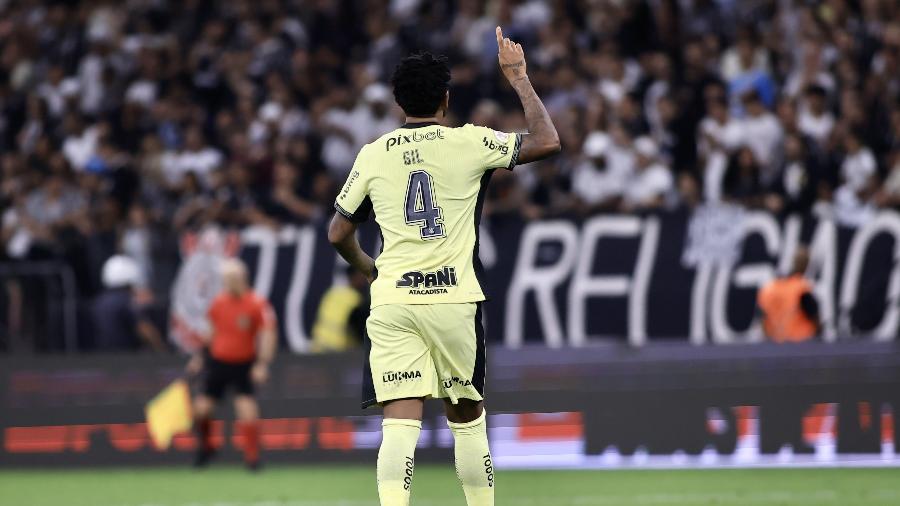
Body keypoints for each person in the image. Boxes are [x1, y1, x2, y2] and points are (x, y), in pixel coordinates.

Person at [327, 28, 559, 506]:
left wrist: (371, 269)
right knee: (468, 420)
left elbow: (338, 232)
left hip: (394, 299)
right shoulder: (470, 142)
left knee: (399, 424)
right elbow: (546, 141)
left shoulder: (372, 154)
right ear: (446, 99)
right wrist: (518, 77)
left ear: (397, 102)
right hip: (454, 298)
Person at [186, 258, 277, 470]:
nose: (228, 282)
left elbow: (268, 334)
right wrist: (199, 358)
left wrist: (262, 364)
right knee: (200, 410)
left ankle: (252, 459)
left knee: (247, 410)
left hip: (244, 364)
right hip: (218, 363)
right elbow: (210, 333)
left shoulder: (257, 303)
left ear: (242, 278)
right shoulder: (218, 303)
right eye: (225, 279)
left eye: (231, 278)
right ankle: (207, 447)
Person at [757, 248, 820, 343]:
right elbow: (814, 317)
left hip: (774, 346)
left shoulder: (771, 288)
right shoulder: (801, 288)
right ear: (807, 265)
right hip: (801, 345)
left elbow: (762, 319)